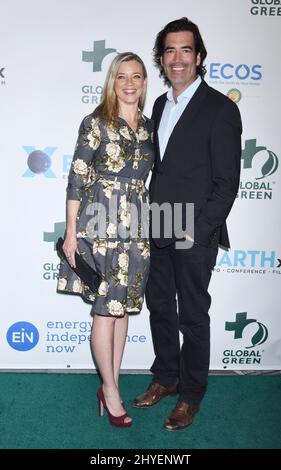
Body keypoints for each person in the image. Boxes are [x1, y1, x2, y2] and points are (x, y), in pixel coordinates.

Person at [133, 18, 242, 431]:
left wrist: (199, 230)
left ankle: (191, 394)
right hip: (157, 223)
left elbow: (226, 183)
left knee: (193, 315)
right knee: (160, 306)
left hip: (193, 230)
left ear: (199, 57)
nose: (177, 58)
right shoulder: (160, 105)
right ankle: (166, 377)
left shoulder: (220, 108)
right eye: (170, 51)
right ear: (162, 58)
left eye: (185, 50)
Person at [57, 52, 154, 427]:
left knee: (124, 307)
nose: (129, 84)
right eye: (121, 77)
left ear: (145, 82)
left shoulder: (148, 127)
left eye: (137, 77)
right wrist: (70, 232)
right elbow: (77, 177)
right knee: (104, 308)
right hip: (100, 226)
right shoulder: (96, 122)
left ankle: (111, 380)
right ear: (112, 82)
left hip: (138, 228)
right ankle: (110, 389)